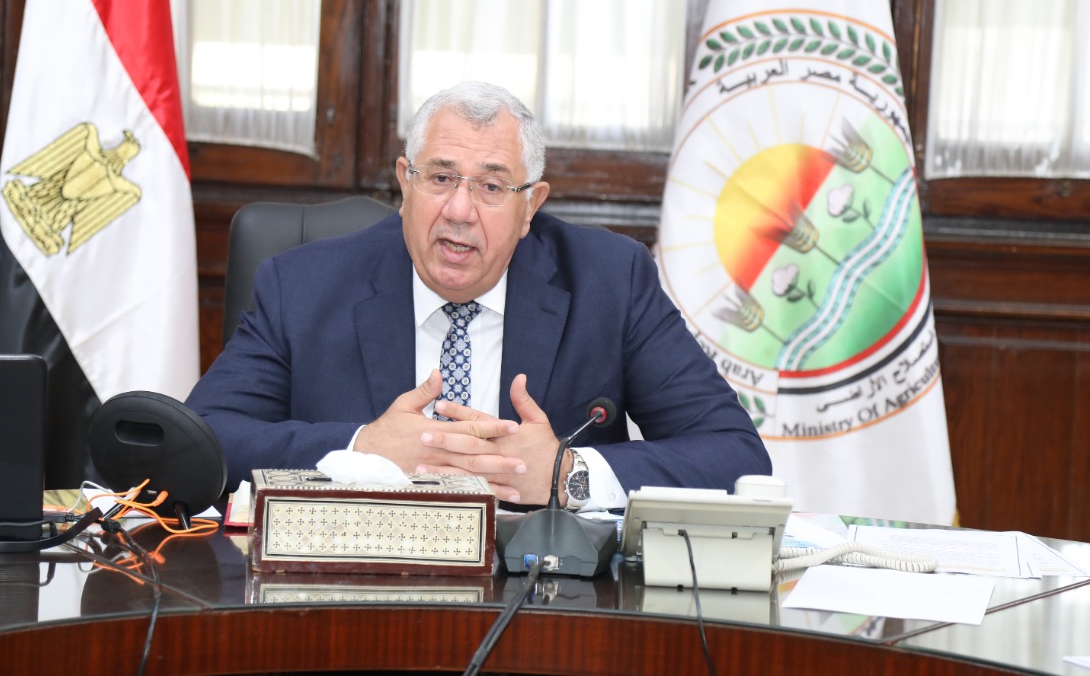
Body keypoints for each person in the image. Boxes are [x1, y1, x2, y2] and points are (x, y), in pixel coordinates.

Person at [188, 81, 770, 510]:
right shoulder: (303, 285)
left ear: (530, 206)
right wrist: (363, 449)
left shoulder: (609, 282)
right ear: (405, 183)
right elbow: (202, 440)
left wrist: (567, 474)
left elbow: (736, 456)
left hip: (541, 610)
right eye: (440, 178)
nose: (459, 210)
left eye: (492, 186)